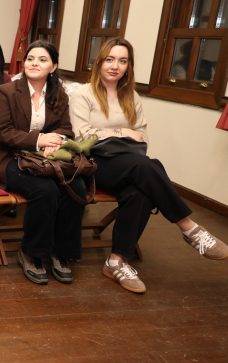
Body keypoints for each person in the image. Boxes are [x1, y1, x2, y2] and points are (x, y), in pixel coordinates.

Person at [69, 38, 228, 294]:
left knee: (140, 190)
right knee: (147, 166)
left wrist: (123, 136)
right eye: (110, 59)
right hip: (95, 164)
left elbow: (142, 136)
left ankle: (116, 262)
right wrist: (121, 131)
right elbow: (81, 137)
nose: (115, 66)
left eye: (122, 61)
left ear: (128, 66)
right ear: (99, 63)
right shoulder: (83, 94)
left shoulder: (131, 96)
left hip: (129, 162)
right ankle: (190, 228)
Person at [0, 40, 86, 285]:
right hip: (7, 157)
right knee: (44, 190)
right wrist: (39, 140)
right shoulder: (7, 91)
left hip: (44, 160)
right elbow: (2, 132)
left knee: (76, 186)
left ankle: (61, 252)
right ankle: (32, 252)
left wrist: (56, 142)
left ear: (53, 67)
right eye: (30, 58)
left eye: (42, 60)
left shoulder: (60, 94)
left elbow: (65, 128)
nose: (34, 63)